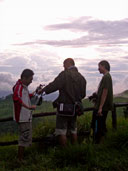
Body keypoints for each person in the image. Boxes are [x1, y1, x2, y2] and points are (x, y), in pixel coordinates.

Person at [39, 58, 86, 146]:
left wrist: (43, 90)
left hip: (63, 107)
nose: (63, 67)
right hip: (75, 107)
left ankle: (64, 152)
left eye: (64, 65)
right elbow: (83, 95)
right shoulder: (82, 78)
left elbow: (54, 85)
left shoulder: (64, 74)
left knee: (61, 130)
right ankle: (74, 150)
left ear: (68, 64)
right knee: (73, 129)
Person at [12, 69, 36, 162]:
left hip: (25, 117)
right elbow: (16, 99)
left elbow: (25, 97)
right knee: (23, 138)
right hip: (23, 117)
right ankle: (20, 159)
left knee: (25, 137)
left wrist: (34, 93)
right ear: (24, 78)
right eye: (30, 79)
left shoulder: (23, 87)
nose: (31, 81)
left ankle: (21, 158)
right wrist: (29, 107)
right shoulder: (18, 87)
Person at [90, 60, 113, 144]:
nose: (98, 69)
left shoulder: (106, 77)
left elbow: (105, 92)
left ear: (103, 66)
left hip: (102, 107)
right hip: (102, 106)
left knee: (98, 125)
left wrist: (100, 107)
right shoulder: (106, 76)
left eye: (99, 66)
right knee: (101, 125)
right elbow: (102, 91)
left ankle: (98, 143)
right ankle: (103, 143)